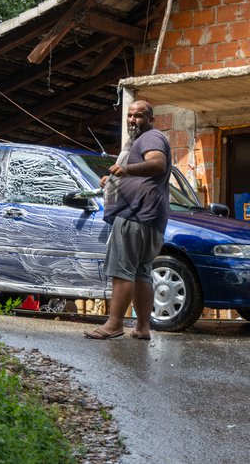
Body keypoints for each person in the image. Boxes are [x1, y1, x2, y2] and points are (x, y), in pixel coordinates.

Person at [85, 100, 171, 340]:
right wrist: (112, 179)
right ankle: (143, 327)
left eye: (139, 116)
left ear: (151, 119)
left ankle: (114, 325)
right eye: (130, 115)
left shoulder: (150, 137)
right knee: (141, 271)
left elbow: (157, 163)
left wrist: (127, 170)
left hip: (135, 215)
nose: (133, 120)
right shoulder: (138, 142)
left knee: (122, 270)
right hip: (152, 218)